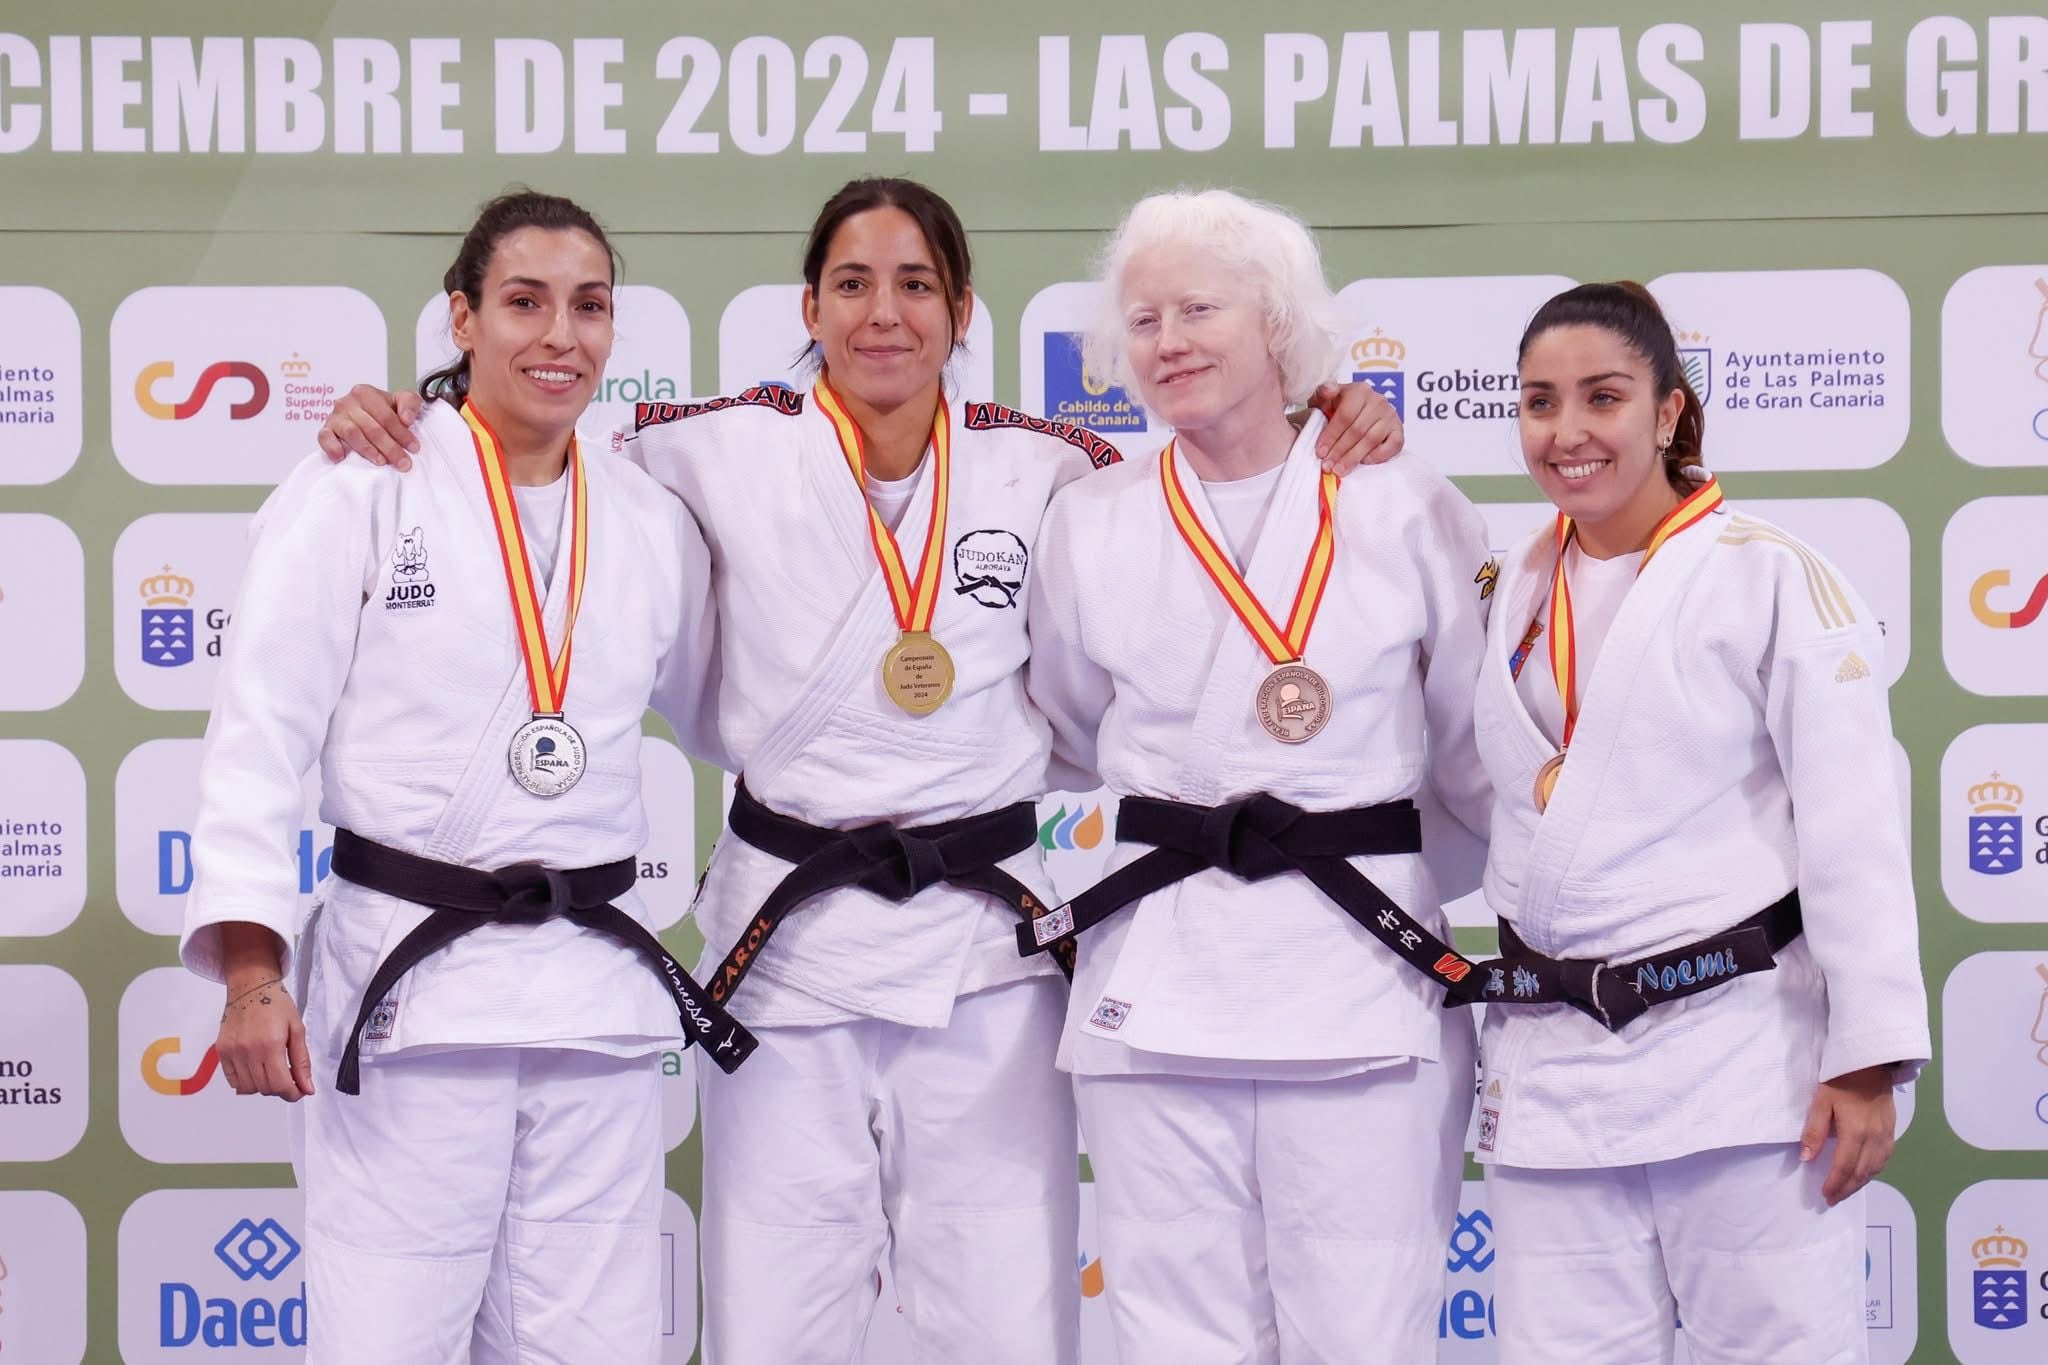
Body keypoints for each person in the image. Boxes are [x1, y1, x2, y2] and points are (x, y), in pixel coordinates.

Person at [315, 177, 1407, 1365]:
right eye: (851, 284)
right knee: (774, 1319)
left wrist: (1326, 413)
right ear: (810, 304)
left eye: (915, 285)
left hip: (983, 956)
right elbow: (530, 443)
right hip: (787, 948)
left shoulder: (1050, 467)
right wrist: (402, 416)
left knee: (1003, 1319)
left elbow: (1198, 507)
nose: (882, 313)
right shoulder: (706, 446)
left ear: (962, 311)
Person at [181, 190, 731, 1363]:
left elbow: (732, 715)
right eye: (524, 302)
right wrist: (249, 973)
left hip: (594, 1005)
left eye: (589, 307)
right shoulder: (358, 485)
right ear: (461, 320)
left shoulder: (645, 519)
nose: (560, 336)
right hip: (410, 1001)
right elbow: (258, 740)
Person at [1021, 189, 1495, 1364]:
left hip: (1354, 969)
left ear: (1279, 326)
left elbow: (1471, 752)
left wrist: (1383, 869)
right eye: (1142, 318)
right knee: (1167, 1327)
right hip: (1159, 977)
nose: (1167, 339)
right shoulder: (1089, 518)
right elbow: (1072, 730)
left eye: (1198, 308)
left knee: (1363, 1329)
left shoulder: (1403, 502)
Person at [1455, 281, 1929, 1363]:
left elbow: (1851, 832)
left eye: (1601, 397)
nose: (1565, 432)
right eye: (1537, 402)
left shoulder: (1767, 577)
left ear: (1667, 411)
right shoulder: (1507, 591)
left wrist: (1864, 1061)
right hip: (1553, 1067)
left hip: (1740, 1069)